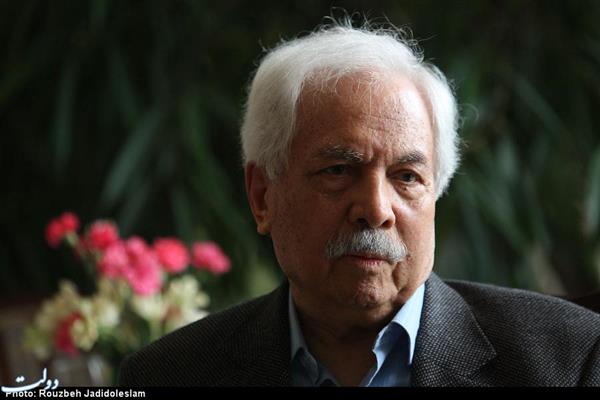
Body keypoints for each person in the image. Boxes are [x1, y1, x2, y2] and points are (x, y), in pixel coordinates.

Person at [118, 23, 600, 387]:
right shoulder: (167, 375)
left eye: (407, 177)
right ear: (263, 196)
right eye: (338, 171)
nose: (376, 209)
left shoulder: (570, 359)